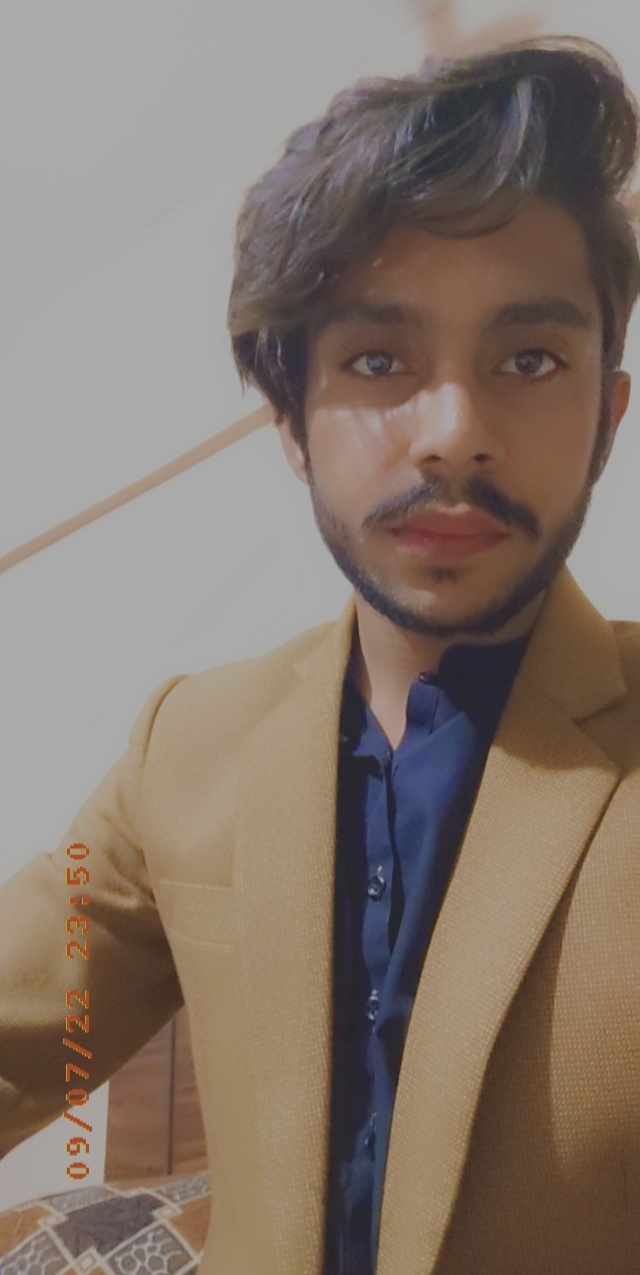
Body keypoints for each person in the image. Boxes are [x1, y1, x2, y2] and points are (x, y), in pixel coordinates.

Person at [1, 34, 639, 1275]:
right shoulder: (188, 748)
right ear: (290, 417)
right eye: (378, 360)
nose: (452, 431)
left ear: (605, 414)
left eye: (528, 359)